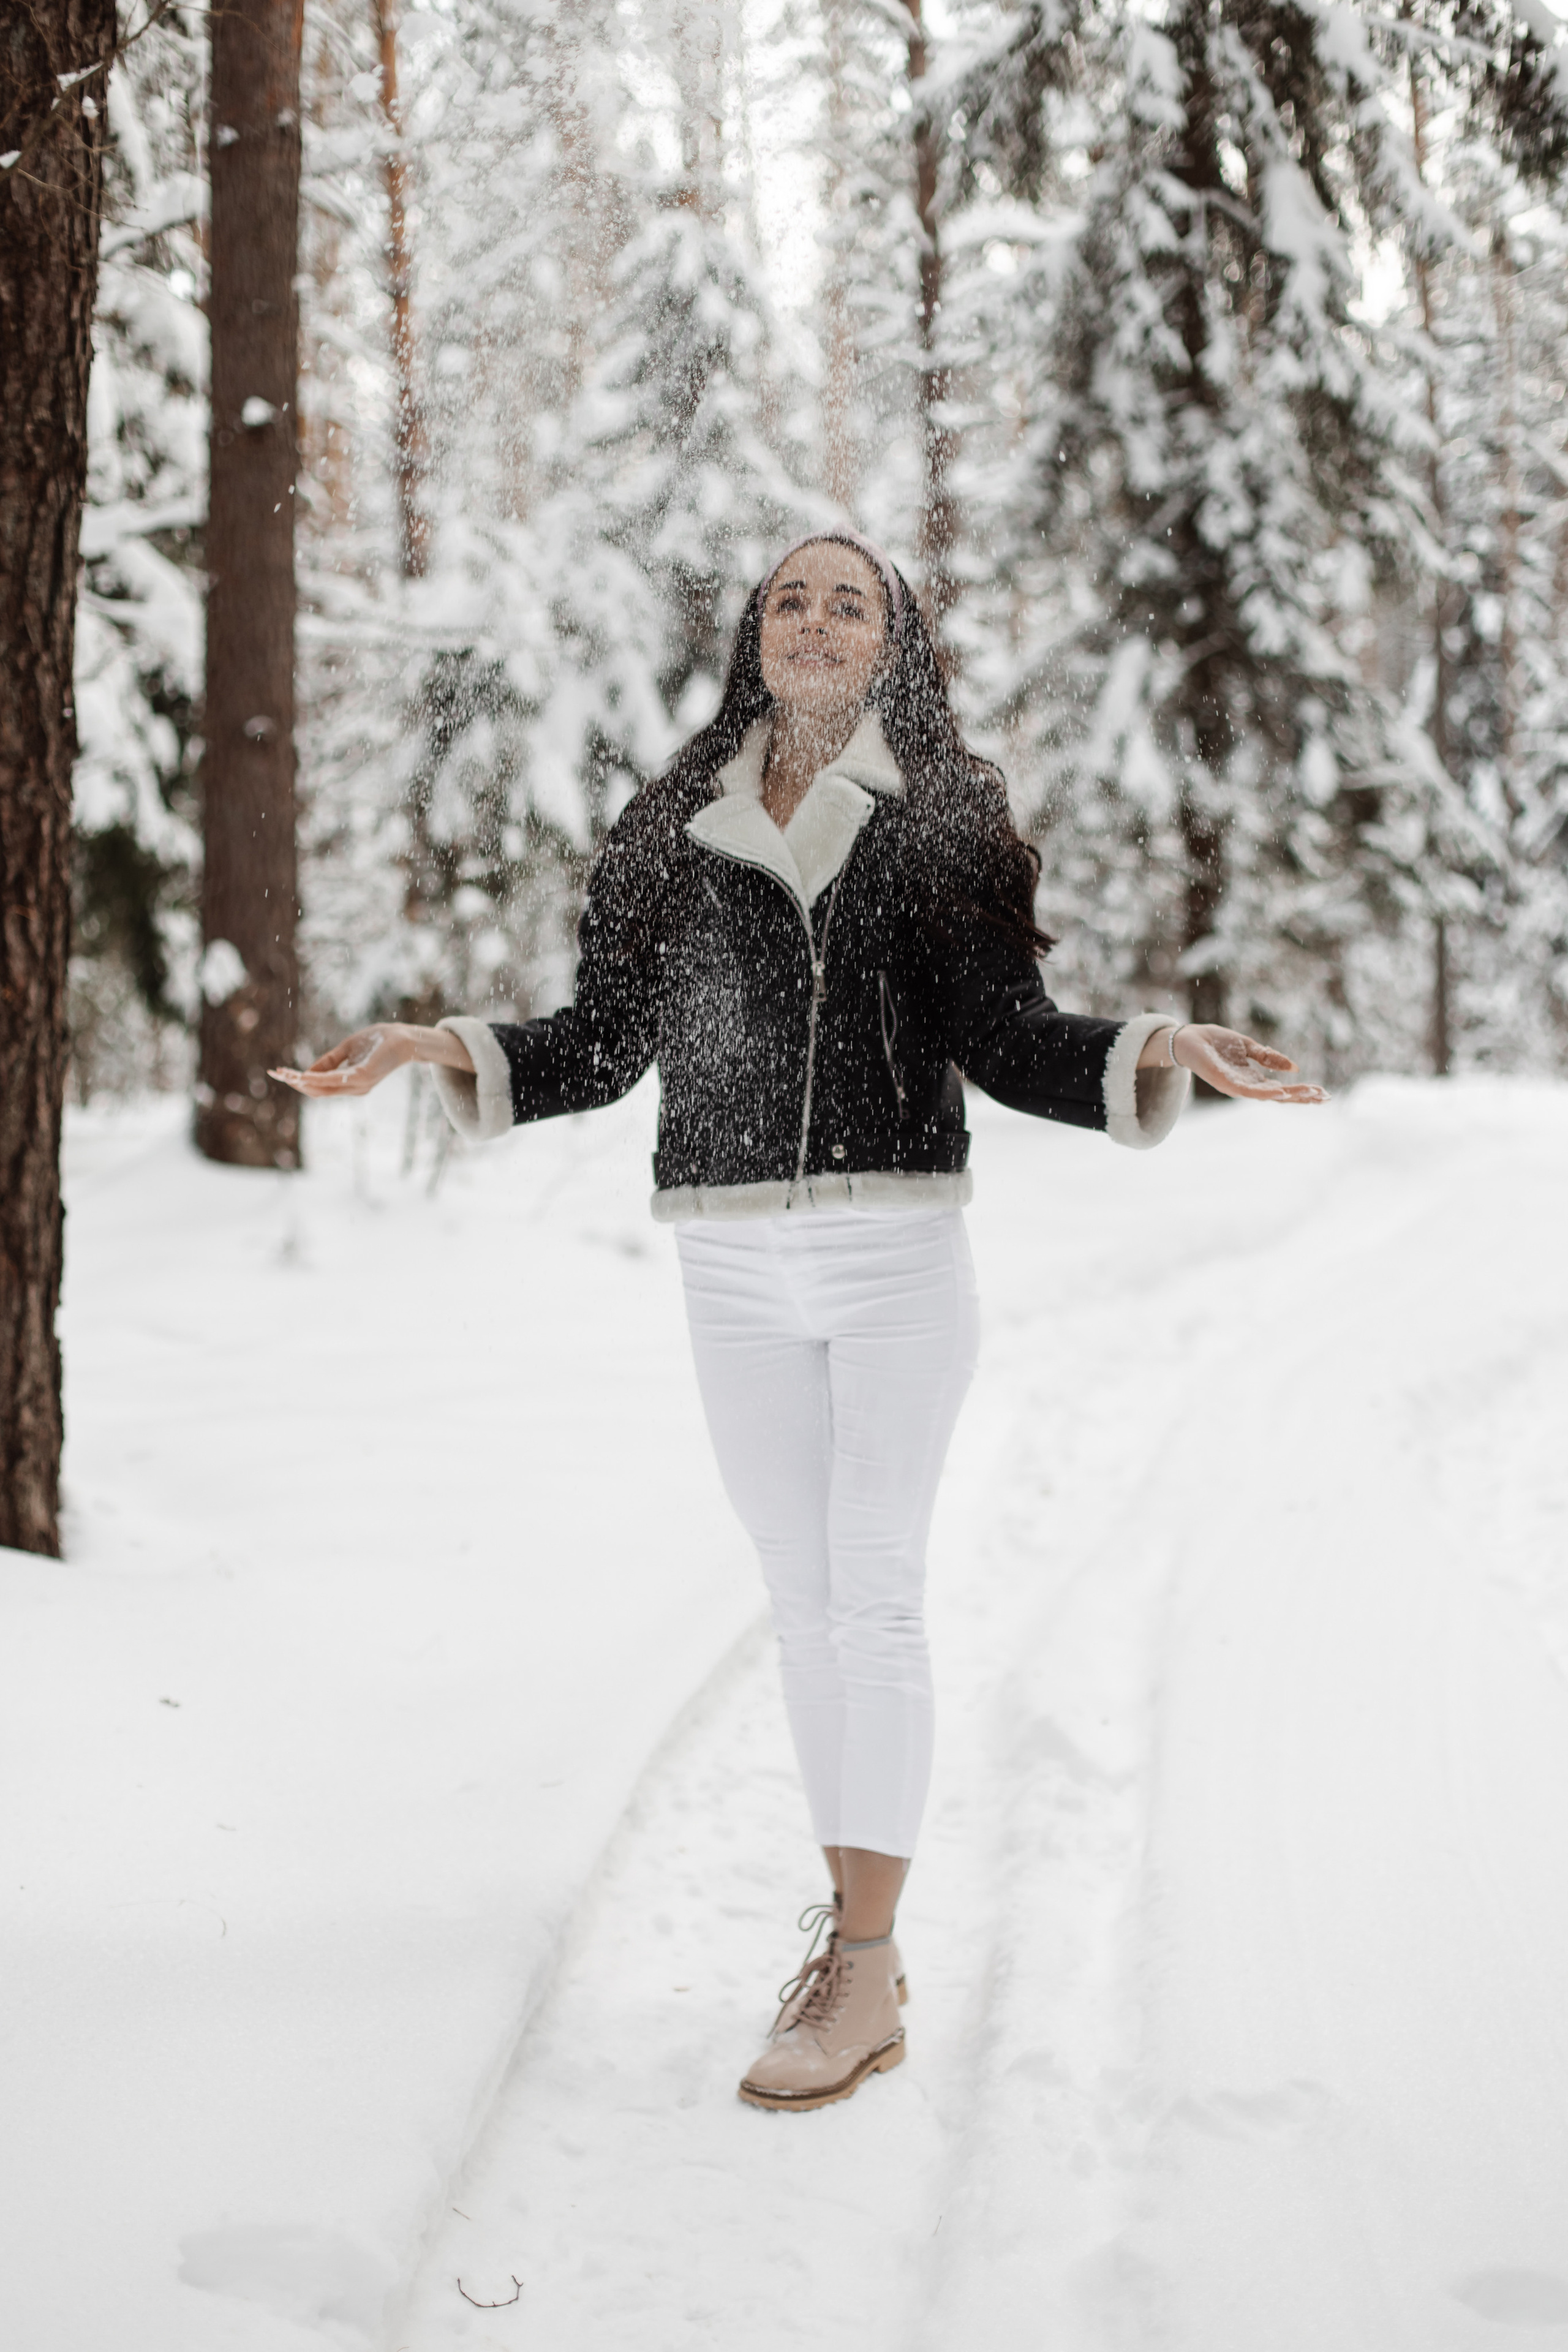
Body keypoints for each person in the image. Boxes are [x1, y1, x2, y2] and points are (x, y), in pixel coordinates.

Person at [275, 530, 1324, 2115]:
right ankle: (857, 1950)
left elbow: (1008, 1036)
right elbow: (606, 1045)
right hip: (731, 1263)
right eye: (791, 598)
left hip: (896, 1250)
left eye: (852, 600)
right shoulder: (667, 828)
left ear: (890, 643)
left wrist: (1160, 1042)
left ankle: (869, 1964)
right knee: (805, 1598)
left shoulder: (942, 819)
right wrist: (437, 1044)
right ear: (753, 639)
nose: (818, 619)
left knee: (878, 1598)